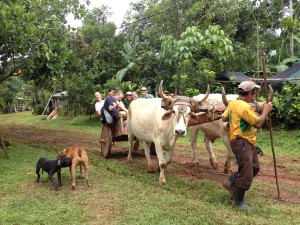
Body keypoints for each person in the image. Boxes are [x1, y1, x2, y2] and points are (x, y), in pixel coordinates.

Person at [222, 81, 272, 211]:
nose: (254, 95)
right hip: (241, 141)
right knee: (247, 172)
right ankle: (238, 202)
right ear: (250, 93)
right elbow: (258, 123)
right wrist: (265, 111)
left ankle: (231, 182)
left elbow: (223, 117)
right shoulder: (245, 107)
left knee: (254, 168)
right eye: (254, 93)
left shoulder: (233, 103)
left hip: (246, 142)